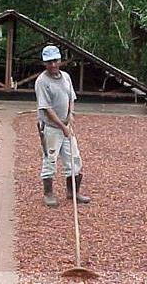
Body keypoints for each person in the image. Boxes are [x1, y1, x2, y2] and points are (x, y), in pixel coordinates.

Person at [35, 45, 91, 207]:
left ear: (60, 61)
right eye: (49, 62)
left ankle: (73, 192)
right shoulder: (42, 81)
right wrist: (62, 126)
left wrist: (71, 115)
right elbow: (46, 108)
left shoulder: (66, 77)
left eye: (55, 61)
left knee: (74, 158)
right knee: (50, 160)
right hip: (51, 128)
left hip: (66, 125)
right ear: (45, 63)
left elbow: (71, 98)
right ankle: (48, 194)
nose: (52, 65)